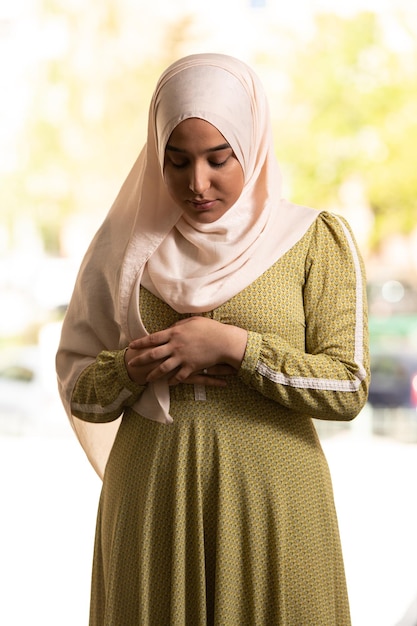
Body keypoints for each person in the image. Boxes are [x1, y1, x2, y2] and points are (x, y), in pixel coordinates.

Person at [56, 52, 370, 626]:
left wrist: (235, 347)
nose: (197, 184)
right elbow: (80, 392)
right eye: (176, 162)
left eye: (218, 159)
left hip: (273, 502)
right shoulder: (122, 250)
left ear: (250, 145)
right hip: (153, 502)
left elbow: (347, 386)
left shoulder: (312, 239)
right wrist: (133, 367)